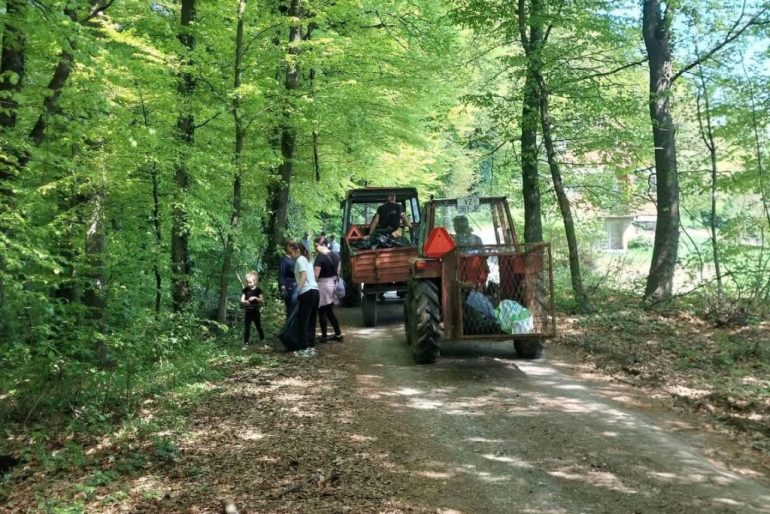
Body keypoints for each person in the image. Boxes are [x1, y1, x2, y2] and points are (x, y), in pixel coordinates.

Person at [286, 240, 319, 357]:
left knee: (303, 322)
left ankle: (303, 348)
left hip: (306, 293)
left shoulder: (300, 260)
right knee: (311, 321)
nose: (290, 255)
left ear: (298, 250)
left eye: (291, 252)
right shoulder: (307, 260)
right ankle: (310, 347)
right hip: (315, 291)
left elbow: (304, 276)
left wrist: (296, 291)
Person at [313, 235, 343, 342]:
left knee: (322, 311)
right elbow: (338, 272)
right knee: (329, 311)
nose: (315, 248)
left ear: (324, 245)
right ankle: (338, 334)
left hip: (323, 286)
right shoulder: (336, 255)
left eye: (316, 246)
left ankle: (324, 337)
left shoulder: (320, 258)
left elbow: (316, 275)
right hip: (333, 285)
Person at [240, 271, 264, 344]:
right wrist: (245, 302)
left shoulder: (258, 290)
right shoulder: (245, 290)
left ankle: (262, 339)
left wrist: (255, 298)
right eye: (247, 282)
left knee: (258, 326)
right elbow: (241, 300)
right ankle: (246, 343)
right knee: (247, 327)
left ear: (255, 281)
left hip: (256, 311)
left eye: (250, 282)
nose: (249, 284)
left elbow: (262, 300)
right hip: (248, 312)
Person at [278, 246, 297, 316]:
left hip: (296, 286)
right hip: (289, 287)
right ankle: (290, 323)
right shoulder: (284, 260)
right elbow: (281, 273)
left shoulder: (294, 259)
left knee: (296, 309)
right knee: (291, 309)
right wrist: (283, 287)